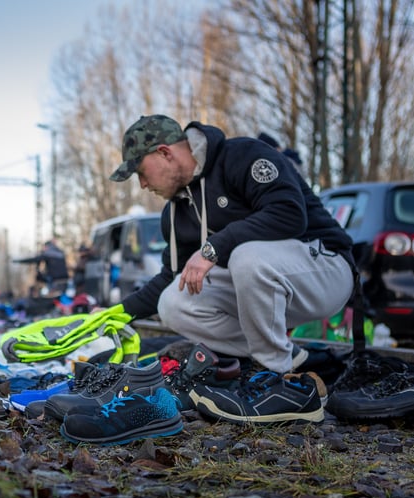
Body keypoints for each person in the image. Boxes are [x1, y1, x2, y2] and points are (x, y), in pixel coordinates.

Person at [109, 114, 355, 387]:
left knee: (246, 257)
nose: (142, 184)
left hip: (325, 269)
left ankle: (274, 379)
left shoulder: (242, 155)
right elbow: (172, 276)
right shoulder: (177, 211)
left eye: (141, 172)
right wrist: (114, 313)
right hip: (262, 286)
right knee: (174, 302)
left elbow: (289, 215)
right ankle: (294, 360)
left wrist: (212, 249)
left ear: (164, 152)